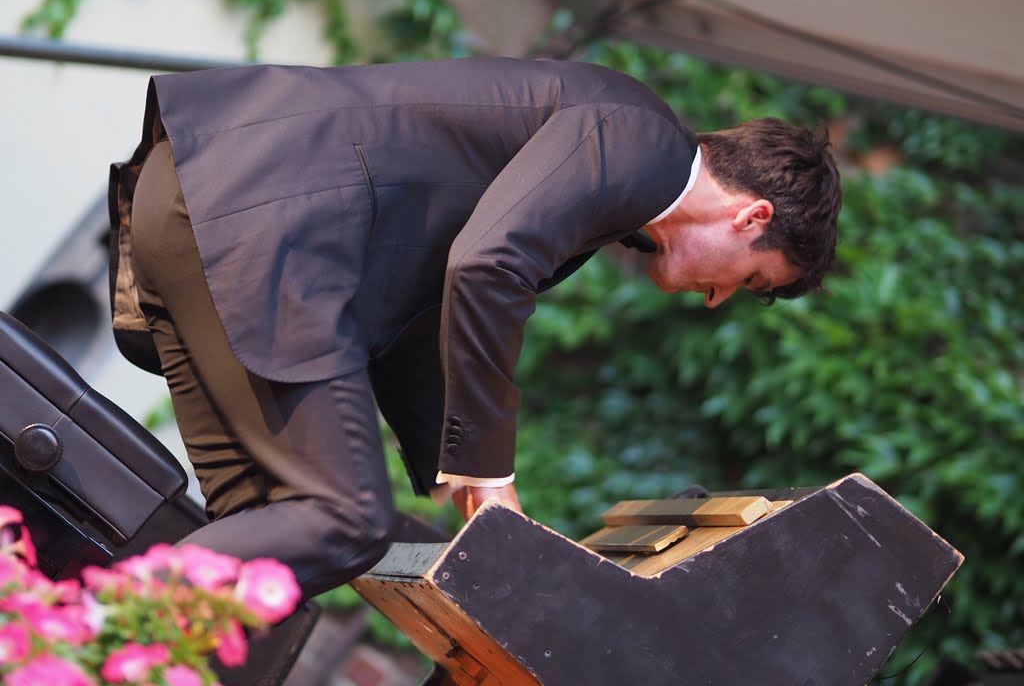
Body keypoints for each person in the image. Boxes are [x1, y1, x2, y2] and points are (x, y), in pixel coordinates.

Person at [108, 56, 841, 601]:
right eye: (750, 279)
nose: (718, 300)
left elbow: (422, 308)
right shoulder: (639, 141)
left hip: (200, 202)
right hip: (259, 221)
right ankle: (64, 627)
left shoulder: (624, 169)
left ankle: (89, 644)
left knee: (269, 539)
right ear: (752, 218)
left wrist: (449, 478)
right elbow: (488, 266)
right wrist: (490, 480)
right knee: (344, 521)